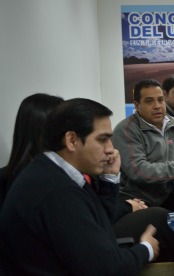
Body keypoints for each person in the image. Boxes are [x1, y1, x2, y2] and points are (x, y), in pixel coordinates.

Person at [0, 98, 159, 274]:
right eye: (102, 140)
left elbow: (98, 223)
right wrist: (147, 249)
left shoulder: (52, 171)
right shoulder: (56, 191)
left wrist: (109, 177)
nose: (110, 149)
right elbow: (106, 269)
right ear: (72, 140)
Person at [113, 79, 174, 211]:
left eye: (160, 100)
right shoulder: (126, 130)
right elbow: (139, 171)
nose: (157, 106)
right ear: (136, 105)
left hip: (168, 191)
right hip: (139, 201)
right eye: (149, 101)